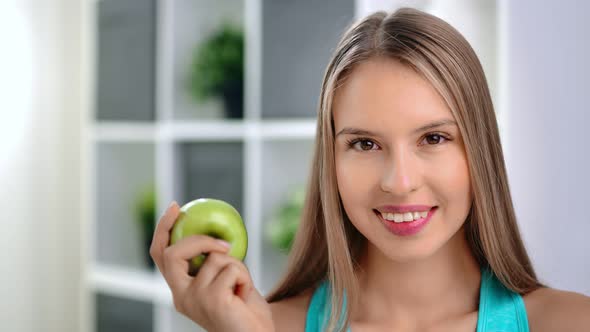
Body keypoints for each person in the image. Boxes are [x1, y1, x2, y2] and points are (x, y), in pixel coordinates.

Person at [149, 7, 590, 332]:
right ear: (331, 161)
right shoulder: (261, 327)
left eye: (433, 138)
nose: (399, 182)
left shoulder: (572, 322)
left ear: (480, 151)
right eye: (364, 143)